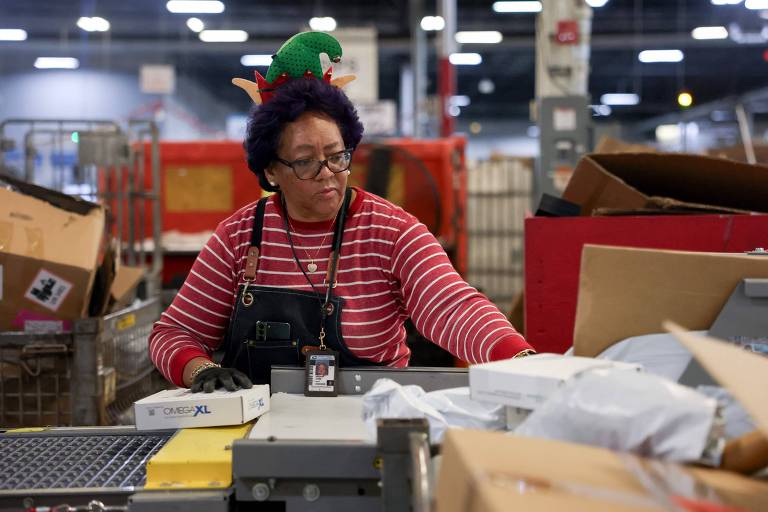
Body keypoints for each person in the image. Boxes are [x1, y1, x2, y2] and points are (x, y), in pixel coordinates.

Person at [149, 32, 534, 393]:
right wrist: (199, 369)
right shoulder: (241, 237)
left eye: (337, 156)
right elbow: (173, 333)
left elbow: (453, 307)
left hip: (368, 424)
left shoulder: (392, 232)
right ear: (271, 170)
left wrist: (520, 358)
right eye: (305, 162)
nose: (328, 174)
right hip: (256, 427)